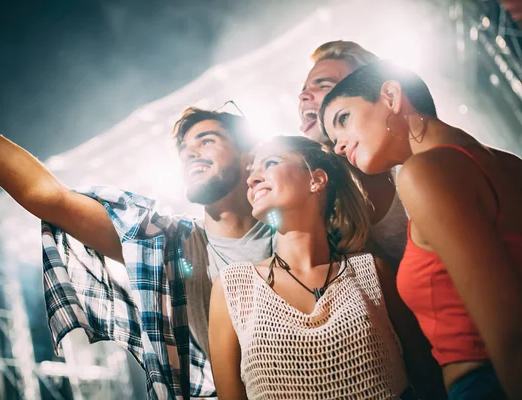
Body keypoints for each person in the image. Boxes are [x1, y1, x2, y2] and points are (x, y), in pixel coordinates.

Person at [0, 49, 275, 399]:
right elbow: (48, 197)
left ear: (250, 157)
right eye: (184, 150)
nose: (191, 153)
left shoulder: (302, 227)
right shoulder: (171, 243)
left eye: (207, 140)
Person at [319, 60, 522, 399]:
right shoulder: (508, 163)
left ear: (391, 95)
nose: (339, 145)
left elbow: (509, 333)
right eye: (333, 138)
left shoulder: (424, 172)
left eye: (343, 119)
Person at [208, 135, 445, 399]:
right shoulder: (233, 287)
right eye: (251, 174)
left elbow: (428, 378)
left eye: (271, 162)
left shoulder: (372, 273)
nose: (252, 179)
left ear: (316, 180)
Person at [299, 41, 408, 271]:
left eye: (322, 85)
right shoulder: (320, 199)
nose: (303, 96)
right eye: (303, 90)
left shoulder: (417, 168)